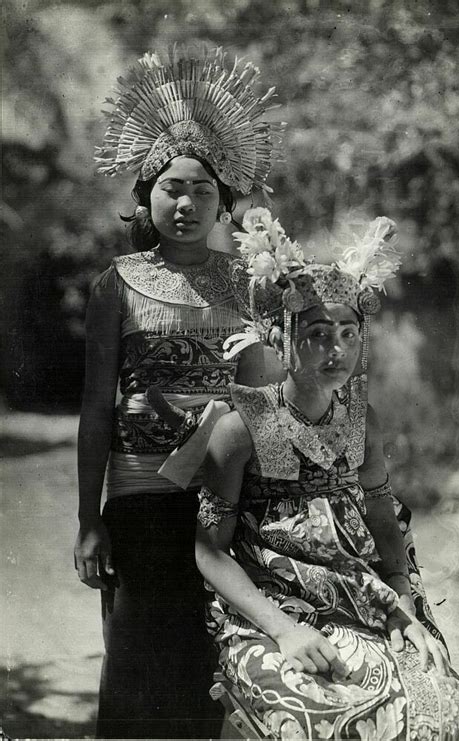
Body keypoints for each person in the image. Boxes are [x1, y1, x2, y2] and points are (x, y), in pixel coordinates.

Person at [195, 209, 459, 740]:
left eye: (348, 333)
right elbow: (209, 549)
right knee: (316, 715)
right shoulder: (240, 428)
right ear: (282, 338)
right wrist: (284, 630)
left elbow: (384, 523)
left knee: (441, 706)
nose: (337, 349)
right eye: (319, 333)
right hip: (267, 608)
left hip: (364, 599)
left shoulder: (362, 422)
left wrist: (404, 606)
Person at [73, 48, 284, 738]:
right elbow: (96, 408)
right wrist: (88, 518)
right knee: (137, 665)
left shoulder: (252, 284)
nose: (186, 202)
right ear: (145, 195)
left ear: (225, 200)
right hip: (138, 499)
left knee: (214, 670)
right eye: (171, 187)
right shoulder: (118, 282)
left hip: (227, 502)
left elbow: (268, 398)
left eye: (201, 188)